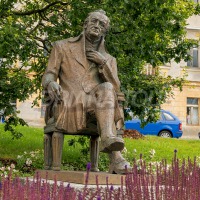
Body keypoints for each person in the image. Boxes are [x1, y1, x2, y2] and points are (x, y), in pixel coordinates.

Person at [42, 9, 131, 174]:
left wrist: (102, 64)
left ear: (105, 30)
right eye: (94, 21)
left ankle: (107, 139)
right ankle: (116, 158)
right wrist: (50, 84)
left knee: (107, 88)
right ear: (85, 24)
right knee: (106, 107)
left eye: (102, 24)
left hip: (96, 103)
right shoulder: (62, 47)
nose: (97, 26)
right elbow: (49, 74)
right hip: (70, 100)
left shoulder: (109, 59)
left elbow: (115, 89)